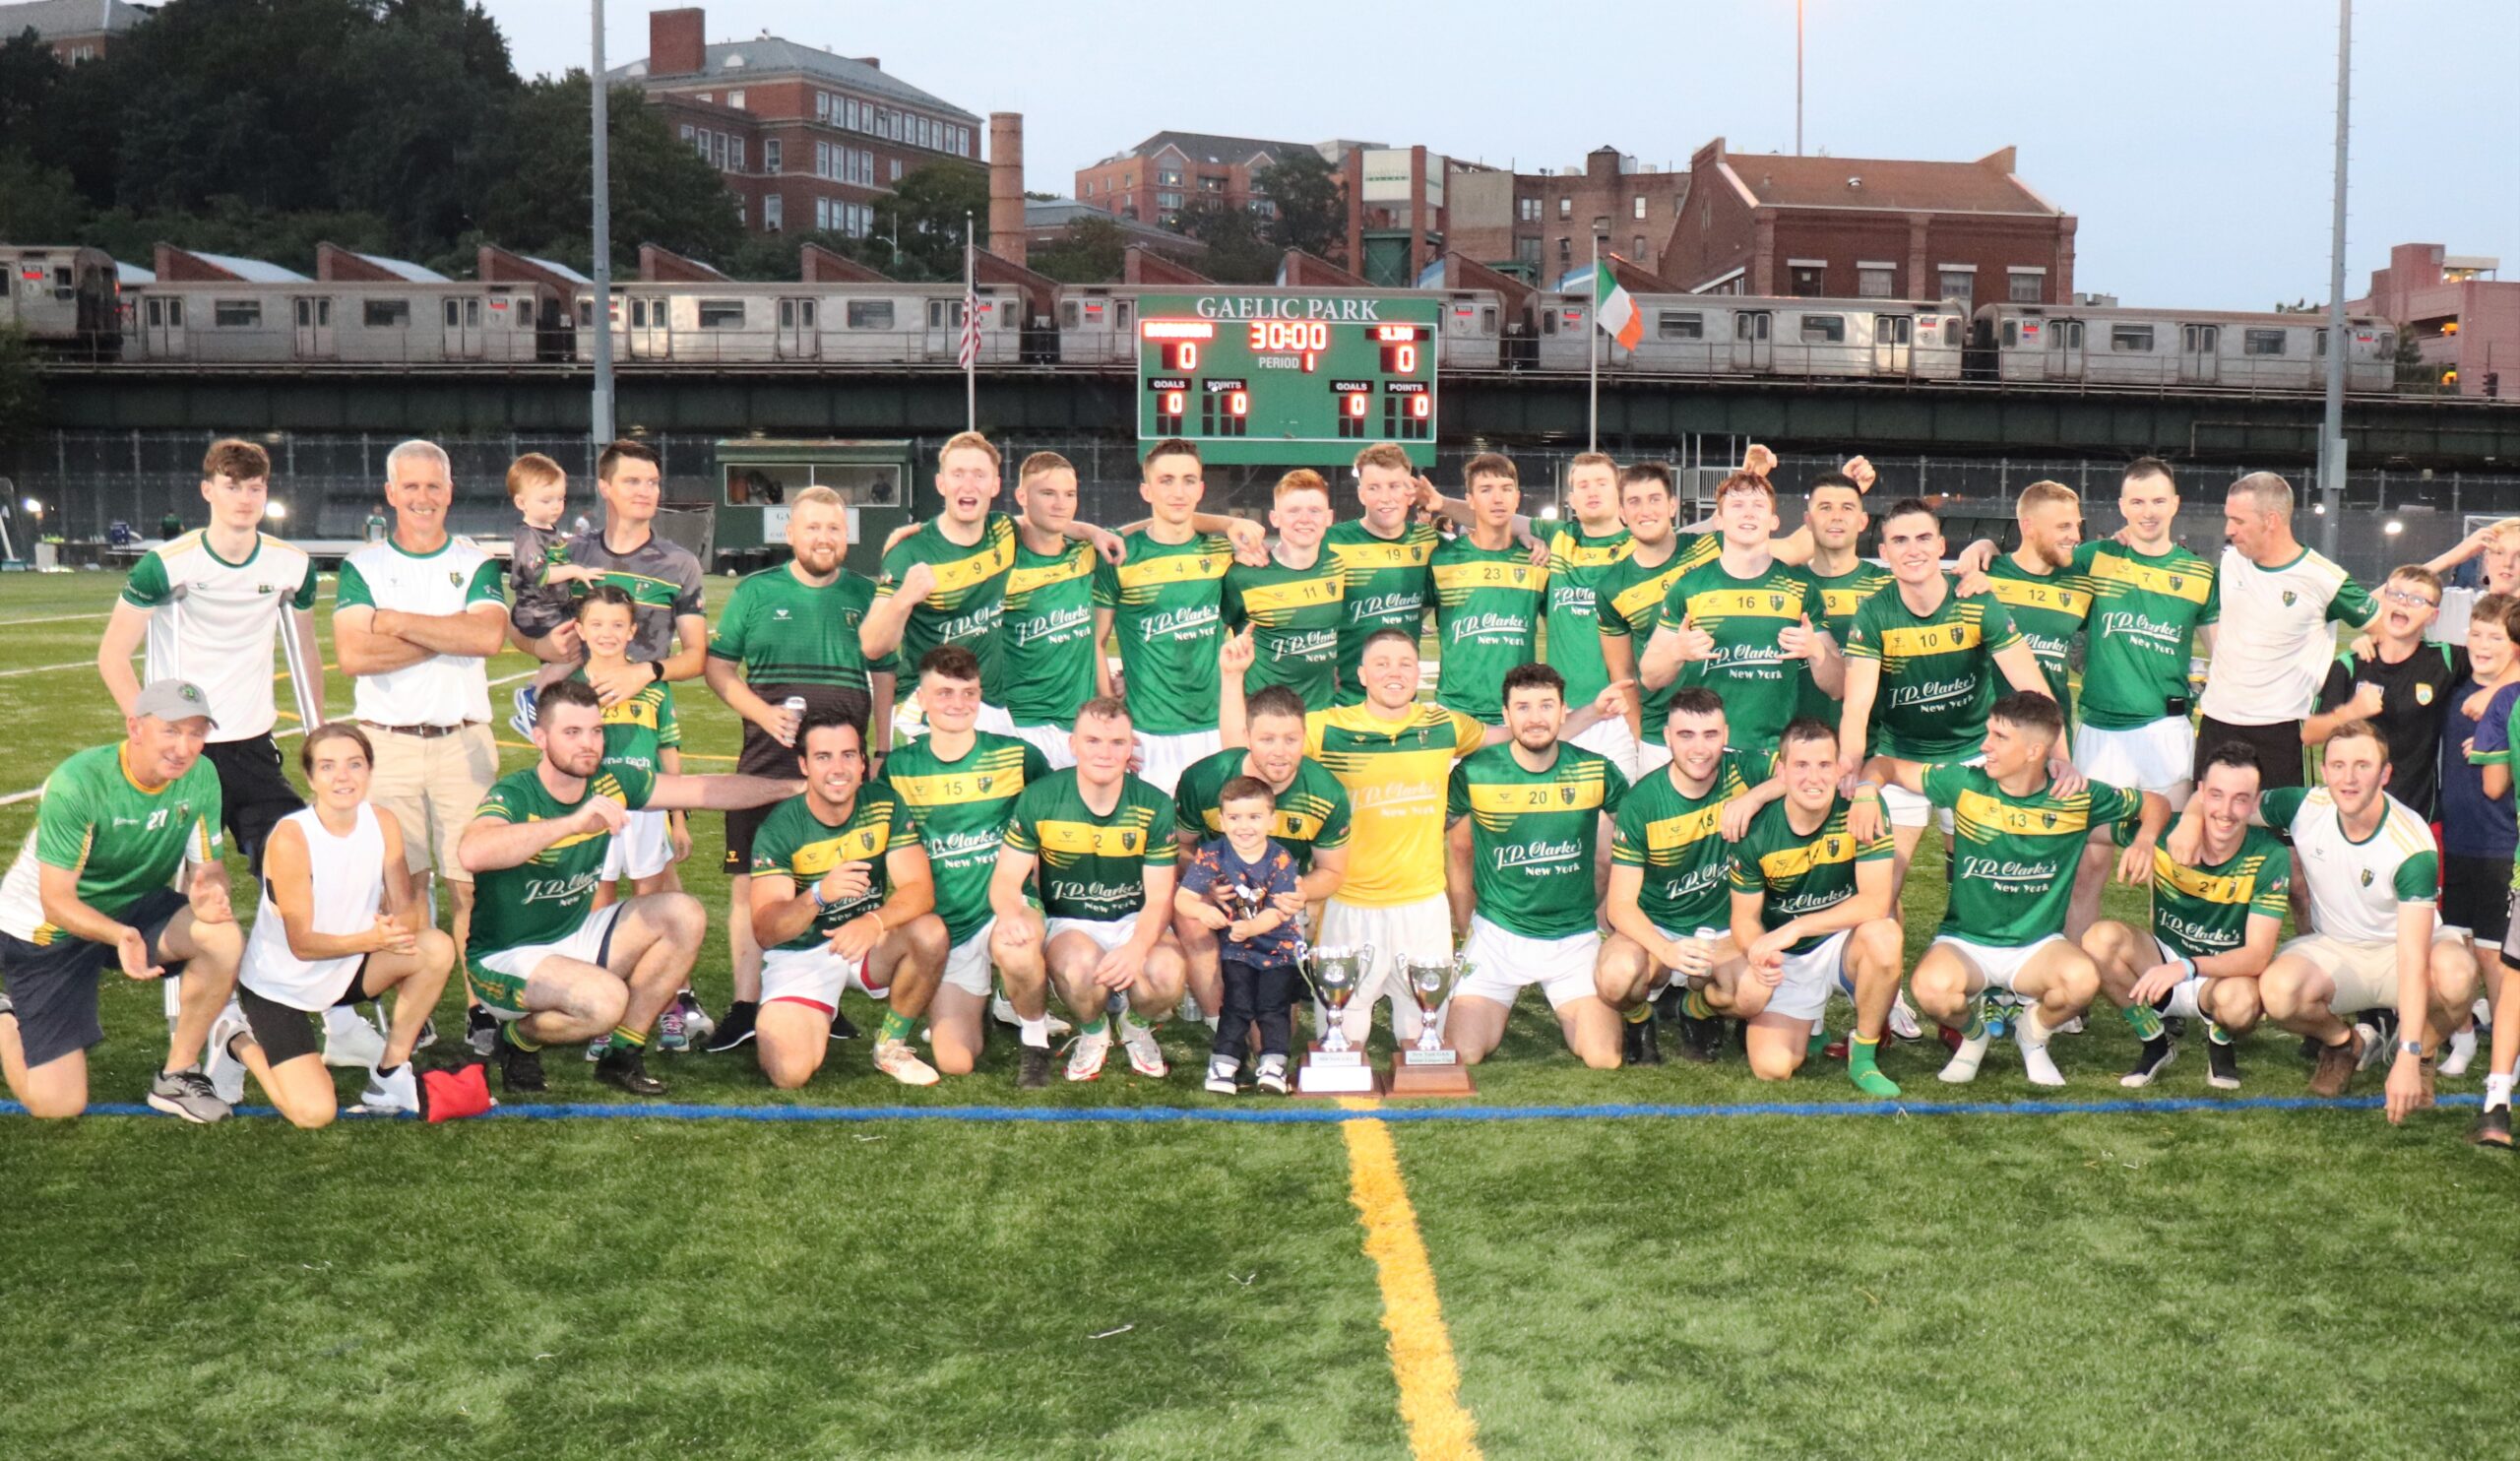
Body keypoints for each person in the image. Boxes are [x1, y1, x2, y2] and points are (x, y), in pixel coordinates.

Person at [1280, 626, 1627, 1048]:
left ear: (1418, 672)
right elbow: (1263, 750)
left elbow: (1521, 737)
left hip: (1423, 907)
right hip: (1351, 904)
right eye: (1382, 663)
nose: (1395, 672)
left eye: (1405, 663)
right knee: (1342, 1041)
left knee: (1425, 1042)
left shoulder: (1442, 724)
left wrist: (1592, 712)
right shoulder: (1326, 728)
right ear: (1361, 673)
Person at [459, 681, 798, 1098]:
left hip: (572, 935)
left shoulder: (610, 781)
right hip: (505, 958)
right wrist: (570, 824)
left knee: (683, 913)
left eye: (596, 731)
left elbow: (704, 789)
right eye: (572, 733)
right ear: (540, 738)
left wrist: (792, 788)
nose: (589, 744)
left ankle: (622, 1055)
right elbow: (473, 852)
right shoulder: (514, 793)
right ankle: (518, 1040)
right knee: (605, 1003)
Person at [2168, 721, 2473, 1121]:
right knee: (2277, 991)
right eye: (2338, 765)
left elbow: (2413, 958)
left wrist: (2409, 1054)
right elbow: (2230, 800)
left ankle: (2426, 1051)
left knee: (2457, 973)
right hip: (2335, 950)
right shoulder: (2306, 806)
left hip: (2401, 952)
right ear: (2324, 771)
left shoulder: (2411, 844)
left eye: (2362, 766)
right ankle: (2343, 1044)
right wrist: (2191, 818)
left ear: (2385, 774)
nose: (2349, 778)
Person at [1862, 691, 2167, 1087]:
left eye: (1999, 737)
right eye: (1988, 733)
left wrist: (2145, 840)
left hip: (2037, 946)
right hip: (1966, 943)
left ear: (2033, 751)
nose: (1984, 746)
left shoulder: (2076, 797)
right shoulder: (1963, 783)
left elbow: (2154, 803)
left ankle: (2033, 1034)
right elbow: (1885, 765)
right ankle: (1974, 1038)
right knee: (1929, 989)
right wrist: (1868, 791)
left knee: (2082, 980)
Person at [701, 486, 897, 1054]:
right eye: (812, 528)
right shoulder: (757, 591)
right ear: (790, 533)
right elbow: (718, 669)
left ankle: (822, 996)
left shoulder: (865, 595)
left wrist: (881, 748)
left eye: (834, 529)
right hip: (766, 761)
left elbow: (884, 674)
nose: (823, 538)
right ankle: (744, 1005)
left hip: (840, 766)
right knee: (751, 886)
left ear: (847, 535)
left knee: (836, 878)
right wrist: (764, 714)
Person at [331, 439, 507, 1048]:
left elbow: (487, 638)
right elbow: (354, 655)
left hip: (463, 743)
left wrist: (398, 621)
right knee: (401, 883)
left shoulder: (475, 559)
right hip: (389, 744)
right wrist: (448, 634)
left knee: (471, 885)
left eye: (433, 486)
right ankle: (417, 998)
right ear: (390, 493)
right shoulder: (365, 566)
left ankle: (481, 1006)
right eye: (411, 487)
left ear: (450, 491)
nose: (423, 498)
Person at [0, 680, 241, 1121]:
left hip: (131, 906)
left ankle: (177, 1075)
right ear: (135, 727)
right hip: (45, 930)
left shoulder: (202, 775)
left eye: (196, 733)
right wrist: (120, 935)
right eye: (170, 731)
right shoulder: (80, 782)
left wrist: (211, 892)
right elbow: (56, 901)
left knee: (221, 937)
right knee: (58, 1105)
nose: (184, 747)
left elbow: (209, 867)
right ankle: (3, 1018)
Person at [97, 438, 323, 877]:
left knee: (293, 862)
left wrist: (319, 730)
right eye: (232, 486)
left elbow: (307, 650)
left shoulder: (291, 567)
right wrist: (148, 726)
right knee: (174, 874)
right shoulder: (165, 564)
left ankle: (287, 944)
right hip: (179, 744)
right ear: (208, 491)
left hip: (251, 743)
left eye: (255, 488)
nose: (244, 499)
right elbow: (113, 655)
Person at [212, 723, 457, 1125]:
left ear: (369, 771)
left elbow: (407, 909)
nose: (343, 776)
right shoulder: (292, 838)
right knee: (314, 1113)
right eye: (328, 767)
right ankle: (236, 1040)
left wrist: (398, 927)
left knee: (435, 948)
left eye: (354, 764)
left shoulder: (383, 821)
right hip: (281, 987)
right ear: (310, 777)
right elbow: (302, 944)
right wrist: (372, 936)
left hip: (346, 968)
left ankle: (390, 1073)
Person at [1838, 497, 2050, 892]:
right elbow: (1857, 706)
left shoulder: (1975, 599)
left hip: (1972, 756)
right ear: (1884, 552)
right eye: (1900, 541)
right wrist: (1853, 771)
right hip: (1900, 759)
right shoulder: (1873, 614)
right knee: (1880, 890)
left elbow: (2033, 688)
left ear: (1940, 546)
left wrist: (2062, 760)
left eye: (1923, 538)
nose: (1913, 549)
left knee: (1976, 884)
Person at [861, 432, 1124, 738]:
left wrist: (1093, 532)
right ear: (941, 484)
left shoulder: (1003, 531)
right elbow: (872, 645)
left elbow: (1042, 521)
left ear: (995, 485)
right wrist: (903, 599)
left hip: (990, 706)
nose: (968, 484)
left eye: (979, 475)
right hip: (932, 704)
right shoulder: (911, 552)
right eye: (958, 474)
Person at [744, 711, 949, 1089]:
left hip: (863, 939)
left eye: (848, 755)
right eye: (823, 757)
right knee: (790, 1073)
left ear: (862, 762)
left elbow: (920, 889)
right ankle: (794, 1015)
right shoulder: (779, 828)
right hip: (802, 954)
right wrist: (818, 895)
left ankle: (890, 1045)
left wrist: (874, 922)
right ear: (804, 765)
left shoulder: (883, 803)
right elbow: (767, 931)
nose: (837, 768)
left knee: (930, 932)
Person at [882, 646, 1057, 1084]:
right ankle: (986, 1001)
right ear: (921, 699)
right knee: (955, 1060)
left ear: (980, 697)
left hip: (1007, 911)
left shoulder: (1017, 756)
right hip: (948, 926)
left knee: (1016, 950)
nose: (957, 703)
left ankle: (1035, 1039)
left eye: (968, 692)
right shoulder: (899, 769)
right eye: (943, 693)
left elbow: (1057, 803)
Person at [1441, 664, 1631, 1068]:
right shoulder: (1476, 772)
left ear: (1564, 712)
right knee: (1464, 1053)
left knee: (1604, 1057)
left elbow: (1640, 836)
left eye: (1546, 705)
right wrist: (1464, 927)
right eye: (1523, 707)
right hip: (1498, 936)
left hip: (1573, 938)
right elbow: (1445, 842)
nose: (1535, 718)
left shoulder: (1594, 769)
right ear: (1506, 715)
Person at [989, 697, 1187, 1083]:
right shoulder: (1042, 798)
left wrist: (1136, 948)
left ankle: (1135, 1025)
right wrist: (1010, 914)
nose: (1105, 752)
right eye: (1093, 740)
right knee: (1081, 971)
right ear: (1073, 745)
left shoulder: (1154, 805)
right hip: (1071, 923)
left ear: (1131, 748)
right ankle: (1094, 1031)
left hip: (1134, 919)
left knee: (1167, 974)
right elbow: (1004, 880)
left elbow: (1161, 897)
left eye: (1117, 743)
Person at [2081, 742, 2291, 1090]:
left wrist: (2187, 967)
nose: (2226, 810)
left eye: (2241, 798)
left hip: (2222, 975)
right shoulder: (2169, 835)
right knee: (2098, 940)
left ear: (2255, 803)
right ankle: (2155, 1041)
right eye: (2217, 795)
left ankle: (2221, 1041)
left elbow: (2257, 955)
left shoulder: (2268, 856)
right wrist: (2144, 839)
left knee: (2240, 1005)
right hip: (2161, 962)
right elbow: (2087, 829)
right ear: (2201, 794)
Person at [1725, 718, 1908, 1093]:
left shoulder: (1862, 808)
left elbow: (1876, 901)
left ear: (1841, 767)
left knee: (1885, 934)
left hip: (1842, 942)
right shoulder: (1756, 829)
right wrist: (1760, 954)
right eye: (1801, 765)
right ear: (1782, 772)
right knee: (1772, 1067)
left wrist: (1797, 926)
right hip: (1788, 955)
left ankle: (1865, 1053)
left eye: (1825, 765)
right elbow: (1743, 920)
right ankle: (1811, 1025)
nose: (1814, 778)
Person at [1596, 688, 1768, 1067]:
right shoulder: (1643, 802)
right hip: (1661, 929)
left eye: (1710, 735)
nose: (1700, 748)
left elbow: (1806, 772)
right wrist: (1666, 950)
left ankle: (1697, 1008)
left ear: (1726, 735)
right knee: (1615, 977)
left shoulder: (1746, 771)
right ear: (1668, 737)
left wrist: (1756, 797)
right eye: (1686, 735)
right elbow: (1620, 907)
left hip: (1725, 934)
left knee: (1756, 991)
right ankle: (1639, 1021)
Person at [1192, 664, 1353, 1030]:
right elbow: (1179, 850)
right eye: (1267, 739)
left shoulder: (1325, 792)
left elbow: (1332, 871)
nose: (1279, 752)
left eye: (1290, 739)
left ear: (1304, 737)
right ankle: (1219, 1023)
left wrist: (1298, 891)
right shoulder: (1206, 779)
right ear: (1247, 736)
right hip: (1218, 899)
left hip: (1277, 909)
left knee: (1274, 1035)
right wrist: (1206, 882)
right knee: (1191, 922)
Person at [1640, 471, 1840, 762]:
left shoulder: (1801, 589)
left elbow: (1837, 687)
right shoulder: (1690, 587)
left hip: (1774, 755)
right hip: (1706, 755)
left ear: (1774, 521)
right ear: (1718, 520)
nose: (1748, 513)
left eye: (1758, 505)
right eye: (1736, 505)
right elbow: (1649, 676)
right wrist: (1676, 653)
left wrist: (1815, 651)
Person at [2194, 471, 2376, 788]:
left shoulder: (2325, 578)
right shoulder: (2231, 562)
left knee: (2281, 833)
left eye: (2238, 521)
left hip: (2280, 731)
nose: (2229, 530)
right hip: (2216, 722)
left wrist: (2365, 643)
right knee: (2211, 828)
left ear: (2272, 520)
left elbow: (2386, 628)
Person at [570, 590, 695, 1050]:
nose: (607, 634)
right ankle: (603, 1012)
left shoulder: (654, 688)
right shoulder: (571, 687)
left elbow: (669, 755)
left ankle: (663, 1010)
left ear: (632, 631)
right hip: (593, 813)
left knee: (652, 912)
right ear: (581, 630)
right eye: (596, 624)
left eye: (617, 624)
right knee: (600, 913)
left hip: (647, 812)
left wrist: (677, 820)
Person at [1095, 439, 1237, 794]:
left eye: (1189, 480)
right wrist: (1113, 727)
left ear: (1201, 488)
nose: (1179, 491)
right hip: (1149, 735)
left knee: (1218, 843)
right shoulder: (1122, 556)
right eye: (1166, 480)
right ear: (1146, 490)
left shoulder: (1222, 552)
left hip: (1216, 728)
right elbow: (1096, 643)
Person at [1177, 777, 1305, 1095]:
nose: (1243, 826)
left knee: (1273, 1008)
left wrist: (1250, 927)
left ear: (1272, 820)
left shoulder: (1280, 859)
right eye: (1234, 818)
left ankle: (1274, 1064)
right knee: (1236, 1005)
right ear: (1221, 820)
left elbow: (1279, 910)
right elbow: (1183, 898)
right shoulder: (1212, 854)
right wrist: (1201, 911)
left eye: (1254, 817)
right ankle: (1224, 1063)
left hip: (1279, 950)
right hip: (1238, 951)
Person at [2305, 565, 2463, 820]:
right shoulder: (2351, 664)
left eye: (2416, 599)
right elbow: (2310, 734)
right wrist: (2352, 711)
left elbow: (2506, 651)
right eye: (2396, 594)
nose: (2404, 603)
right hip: (2354, 814)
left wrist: (2485, 697)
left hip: (2417, 815)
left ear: (2433, 616)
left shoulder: (2445, 659)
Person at [1596, 461, 1720, 777]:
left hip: (1722, 727)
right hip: (1659, 733)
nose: (1645, 510)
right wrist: (1640, 739)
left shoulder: (1710, 547)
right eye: (1634, 502)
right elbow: (1621, 675)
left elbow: (1780, 543)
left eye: (1654, 499)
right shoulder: (1613, 585)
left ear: (1673, 506)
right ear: (1622, 512)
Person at [999, 451, 1114, 771]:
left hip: (1079, 727)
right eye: (1047, 493)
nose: (1060, 504)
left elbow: (1155, 527)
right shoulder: (1001, 562)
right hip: (1018, 724)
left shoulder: (1088, 555)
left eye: (1069, 494)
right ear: (1021, 496)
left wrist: (1229, 523)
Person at [2446, 596, 2520, 1088]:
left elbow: (2497, 781)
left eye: (2497, 636)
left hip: (2500, 841)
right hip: (2454, 835)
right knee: (2459, 944)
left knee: (2496, 954)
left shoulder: (2511, 699)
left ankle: (2506, 1053)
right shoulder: (2456, 682)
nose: (2483, 644)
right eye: (2477, 633)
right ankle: (2465, 1033)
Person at [1431, 453, 1549, 727]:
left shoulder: (1538, 560)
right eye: (1486, 490)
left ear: (1517, 498)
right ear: (1470, 499)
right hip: (1454, 712)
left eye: (1506, 489)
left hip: (1516, 714)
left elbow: (1560, 632)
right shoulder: (1442, 557)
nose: (1498, 499)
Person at [1323, 443, 1441, 709]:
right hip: (1344, 703)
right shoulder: (1331, 542)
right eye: (1374, 488)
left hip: (1403, 702)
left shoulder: (1428, 543)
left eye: (1394, 486)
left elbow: (1489, 531)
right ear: (1361, 494)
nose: (1385, 497)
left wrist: (1525, 534)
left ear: (1411, 492)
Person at [1545, 452, 1638, 776]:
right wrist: (1442, 502)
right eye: (1582, 485)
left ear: (1619, 491)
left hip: (1624, 715)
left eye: (1601, 483)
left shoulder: (1640, 546)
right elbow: (1495, 518)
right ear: (1571, 498)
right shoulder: (1557, 539)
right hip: (1566, 715)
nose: (1592, 491)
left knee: (1623, 820)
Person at [1222, 469, 1346, 709]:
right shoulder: (1244, 575)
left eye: (1314, 511)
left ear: (1329, 517)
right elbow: (1209, 640)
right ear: (1274, 518)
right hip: (1264, 723)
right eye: (1293, 511)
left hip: (1323, 718)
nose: (1305, 519)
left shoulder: (1338, 565)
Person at [500, 452, 603, 733]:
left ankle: (532, 694)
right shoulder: (528, 536)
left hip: (552, 606)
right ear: (521, 503)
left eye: (560, 499)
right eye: (546, 501)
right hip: (537, 610)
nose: (556, 506)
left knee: (561, 655)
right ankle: (533, 696)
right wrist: (574, 570)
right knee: (576, 651)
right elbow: (539, 573)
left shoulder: (548, 530)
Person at [1981, 480, 2092, 731]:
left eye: (2077, 525)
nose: (2075, 536)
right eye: (2064, 526)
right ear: (2028, 526)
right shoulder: (1984, 577)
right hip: (1985, 739)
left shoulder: (2082, 586)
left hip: (2051, 738)